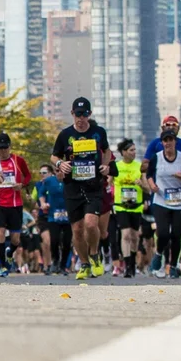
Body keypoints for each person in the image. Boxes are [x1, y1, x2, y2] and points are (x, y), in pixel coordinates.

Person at [50, 97, 112, 280]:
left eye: (84, 114)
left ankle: (94, 254)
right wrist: (61, 164)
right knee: (77, 229)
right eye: (78, 114)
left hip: (93, 185)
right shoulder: (64, 135)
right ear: (72, 114)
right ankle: (84, 263)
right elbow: (54, 157)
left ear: (89, 115)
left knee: (91, 223)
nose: (81, 118)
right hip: (72, 187)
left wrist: (106, 166)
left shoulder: (98, 132)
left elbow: (107, 150)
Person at [146, 130, 181, 278]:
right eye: (165, 141)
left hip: (178, 201)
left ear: (175, 142)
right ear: (162, 143)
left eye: (171, 140)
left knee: (176, 234)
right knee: (163, 233)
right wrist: (152, 185)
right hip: (161, 199)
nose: (168, 143)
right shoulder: (157, 157)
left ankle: (173, 265)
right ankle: (158, 253)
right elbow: (149, 174)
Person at [0, 132, 32, 277]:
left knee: (15, 239)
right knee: (0, 233)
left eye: (5, 148)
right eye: (0, 148)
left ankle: (10, 251)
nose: (3, 151)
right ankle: (2, 265)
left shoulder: (17, 160)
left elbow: (28, 176)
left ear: (10, 146)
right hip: (0, 203)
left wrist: (21, 185)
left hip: (15, 204)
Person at [113, 139, 144, 278]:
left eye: (134, 150)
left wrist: (141, 184)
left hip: (136, 205)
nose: (134, 152)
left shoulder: (140, 166)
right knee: (125, 235)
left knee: (134, 236)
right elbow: (108, 183)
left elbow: (148, 188)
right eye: (131, 150)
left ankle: (132, 261)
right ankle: (127, 265)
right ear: (123, 152)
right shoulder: (116, 166)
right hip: (121, 205)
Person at [37, 164, 71, 274]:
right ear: (54, 171)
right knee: (54, 240)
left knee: (66, 242)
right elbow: (41, 193)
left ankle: (63, 265)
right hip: (53, 216)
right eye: (57, 170)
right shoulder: (49, 181)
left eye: (62, 170)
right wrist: (43, 203)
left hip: (69, 216)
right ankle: (55, 260)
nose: (59, 173)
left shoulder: (71, 180)